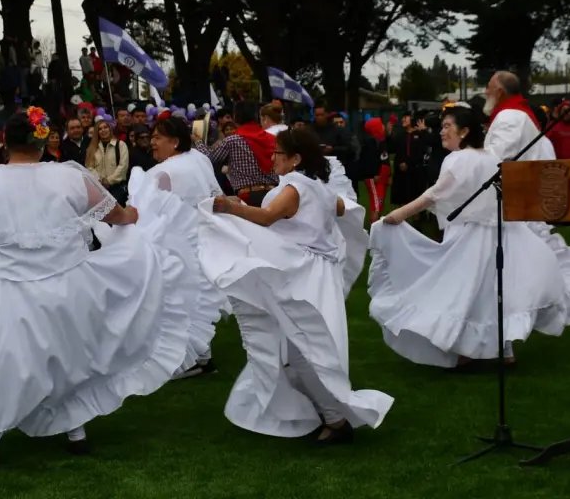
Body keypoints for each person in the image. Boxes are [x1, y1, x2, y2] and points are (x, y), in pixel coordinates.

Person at [0, 108, 202, 468]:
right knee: (69, 354)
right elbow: (114, 214)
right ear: (42, 141)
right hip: (67, 285)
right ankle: (73, 429)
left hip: (13, 291)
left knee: (9, 358)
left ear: (4, 144)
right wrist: (130, 217)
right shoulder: (69, 176)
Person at [197, 126, 391, 444]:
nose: (272, 158)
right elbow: (343, 210)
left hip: (305, 273)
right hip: (314, 271)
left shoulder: (296, 187)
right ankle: (322, 411)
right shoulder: (318, 186)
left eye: (278, 153)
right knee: (304, 342)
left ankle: (335, 419)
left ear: (295, 158)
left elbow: (268, 217)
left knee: (304, 346)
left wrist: (231, 208)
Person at [368, 107, 570, 369]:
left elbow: (435, 194)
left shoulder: (458, 159)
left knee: (464, 293)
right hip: (499, 234)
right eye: (441, 126)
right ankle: (499, 349)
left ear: (464, 131)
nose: (442, 131)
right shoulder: (490, 156)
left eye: (447, 126)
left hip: (472, 236)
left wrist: (399, 214)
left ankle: (472, 349)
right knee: (490, 293)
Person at [481, 70, 570, 313]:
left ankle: (528, 306)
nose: (485, 91)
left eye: (488, 86)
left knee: (521, 263)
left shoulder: (510, 117)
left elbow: (497, 158)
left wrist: (469, 162)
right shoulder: (517, 114)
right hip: (521, 201)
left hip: (518, 203)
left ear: (499, 91)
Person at [144, 117, 225, 378]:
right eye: (152, 137)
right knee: (197, 299)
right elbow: (216, 194)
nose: (152, 143)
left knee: (180, 301)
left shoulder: (161, 173)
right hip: (204, 236)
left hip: (178, 244)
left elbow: (147, 212)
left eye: (158, 137)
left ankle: (191, 360)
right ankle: (201, 357)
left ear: (175, 141)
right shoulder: (199, 159)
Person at [193, 102, 279, 206]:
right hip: (274, 196)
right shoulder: (273, 139)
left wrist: (197, 141)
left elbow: (209, 159)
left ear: (235, 117)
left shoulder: (232, 140)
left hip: (247, 198)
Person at [85, 116, 130, 204]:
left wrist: (108, 181)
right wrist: (99, 180)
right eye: (100, 129)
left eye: (105, 127)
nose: (103, 130)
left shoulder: (120, 145)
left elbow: (123, 166)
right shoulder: (92, 148)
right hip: (99, 189)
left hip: (117, 187)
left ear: (110, 129)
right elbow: (89, 167)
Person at [359, 117, 390, 222]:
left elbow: (384, 159)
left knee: (379, 202)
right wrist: (374, 174)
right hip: (374, 177)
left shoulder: (381, 141)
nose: (383, 126)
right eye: (381, 124)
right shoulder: (371, 142)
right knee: (376, 204)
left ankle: (376, 227)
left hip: (380, 176)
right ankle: (373, 228)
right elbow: (369, 160)